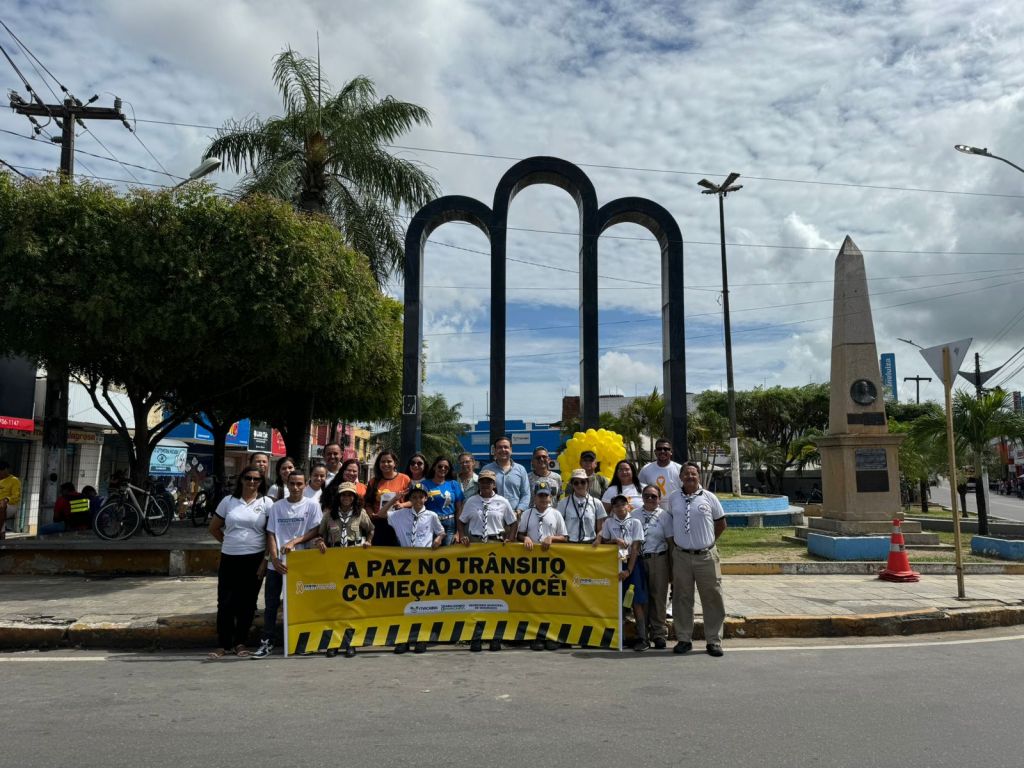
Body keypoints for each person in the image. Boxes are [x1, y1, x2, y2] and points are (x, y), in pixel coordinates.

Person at [253, 469, 323, 659]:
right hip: (276, 566)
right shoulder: (277, 507)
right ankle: (266, 642)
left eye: (299, 484)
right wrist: (274, 559)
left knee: (300, 604)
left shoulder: (313, 505)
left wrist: (295, 541)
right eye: (292, 484)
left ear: (305, 484)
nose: (295, 487)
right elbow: (271, 534)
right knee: (271, 605)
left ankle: (300, 641)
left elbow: (315, 530)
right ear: (286, 484)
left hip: (300, 564)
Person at [207, 466, 274, 659]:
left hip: (255, 558)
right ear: (241, 480)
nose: (252, 482)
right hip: (229, 557)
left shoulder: (267, 503)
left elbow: (271, 535)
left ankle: (240, 643)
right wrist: (229, 541)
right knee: (225, 602)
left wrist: (265, 561)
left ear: (261, 482)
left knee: (247, 603)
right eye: (248, 478)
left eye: (256, 479)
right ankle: (223, 644)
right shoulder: (228, 501)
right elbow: (214, 528)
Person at [665, 461, 727, 658]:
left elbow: (721, 524)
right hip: (681, 556)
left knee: (712, 597)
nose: (690, 477)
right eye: (686, 474)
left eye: (693, 474)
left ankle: (714, 640)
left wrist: (707, 543)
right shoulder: (673, 498)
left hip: (707, 556)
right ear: (680, 477)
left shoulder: (709, 497)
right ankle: (684, 639)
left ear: (698, 476)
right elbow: (669, 523)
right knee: (682, 598)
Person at [387, 482, 444, 654]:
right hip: (405, 562)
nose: (418, 499)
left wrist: (438, 539)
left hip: (423, 562)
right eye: (414, 496)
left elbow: (441, 531)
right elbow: (380, 515)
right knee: (403, 601)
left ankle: (421, 638)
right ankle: (403, 639)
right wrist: (394, 501)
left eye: (421, 496)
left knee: (422, 601)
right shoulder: (400, 515)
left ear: (426, 498)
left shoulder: (432, 515)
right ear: (409, 499)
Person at [518, 480, 568, 651]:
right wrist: (524, 538)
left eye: (546, 495)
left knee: (552, 602)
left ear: (550, 496)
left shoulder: (555, 514)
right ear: (535, 497)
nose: (543, 499)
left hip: (551, 563)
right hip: (532, 563)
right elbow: (520, 533)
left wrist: (551, 538)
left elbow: (564, 537)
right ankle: (536, 636)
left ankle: (552, 635)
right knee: (534, 601)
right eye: (540, 495)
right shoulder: (527, 514)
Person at [595, 493, 649, 651]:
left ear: (628, 505)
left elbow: (635, 547)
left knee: (636, 602)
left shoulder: (635, 522)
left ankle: (643, 637)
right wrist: (615, 540)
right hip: (615, 565)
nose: (620, 508)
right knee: (617, 602)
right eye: (616, 505)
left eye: (622, 504)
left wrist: (630, 570)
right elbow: (604, 541)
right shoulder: (609, 523)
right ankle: (620, 636)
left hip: (632, 564)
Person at [633, 484, 672, 649]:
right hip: (639, 560)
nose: (650, 499)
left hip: (659, 559)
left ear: (659, 499)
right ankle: (643, 635)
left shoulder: (665, 516)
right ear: (642, 497)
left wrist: (672, 566)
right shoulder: (634, 515)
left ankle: (659, 633)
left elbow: (670, 542)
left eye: (653, 496)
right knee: (642, 598)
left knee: (658, 597)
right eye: (647, 496)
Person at [458, 470, 517, 545]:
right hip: (475, 543)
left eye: (488, 482)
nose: (485, 485)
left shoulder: (503, 501)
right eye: (482, 482)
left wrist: (510, 539)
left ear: (494, 485)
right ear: (479, 484)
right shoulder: (471, 501)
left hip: (496, 543)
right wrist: (462, 536)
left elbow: (513, 522)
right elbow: (461, 521)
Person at [365, 450, 409, 547]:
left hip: (399, 522)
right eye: (382, 461)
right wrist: (371, 514)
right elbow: (367, 503)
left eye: (389, 461)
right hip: (379, 524)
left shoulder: (405, 479)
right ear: (379, 464)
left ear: (395, 463)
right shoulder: (373, 481)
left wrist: (402, 505)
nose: (386, 464)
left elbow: (413, 501)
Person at [481, 436, 531, 519]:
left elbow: (525, 494)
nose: (503, 450)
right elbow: (480, 492)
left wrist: (519, 511)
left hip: (515, 516)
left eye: (506, 447)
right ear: (495, 450)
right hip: (492, 516)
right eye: (499, 447)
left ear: (511, 450)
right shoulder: (486, 469)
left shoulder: (521, 469)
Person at [558, 469, 607, 544]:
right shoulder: (563, 503)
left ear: (588, 483)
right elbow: (558, 527)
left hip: (590, 545)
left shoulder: (597, 503)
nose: (579, 485)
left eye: (583, 482)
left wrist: (598, 539)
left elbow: (600, 529)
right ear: (572, 485)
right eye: (576, 483)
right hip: (569, 545)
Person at [423, 455, 464, 545]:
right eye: (440, 466)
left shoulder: (454, 484)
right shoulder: (424, 484)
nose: (443, 469)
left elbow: (459, 510)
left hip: (450, 524)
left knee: (448, 553)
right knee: (431, 552)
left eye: (446, 467)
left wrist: (458, 532)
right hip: (430, 523)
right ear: (434, 467)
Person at [0, 460, 22, 538]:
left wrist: (6, 499)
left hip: (10, 505)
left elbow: (16, 496)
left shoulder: (14, 480)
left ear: (6, 470)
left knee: (2, 505)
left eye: (1, 471)